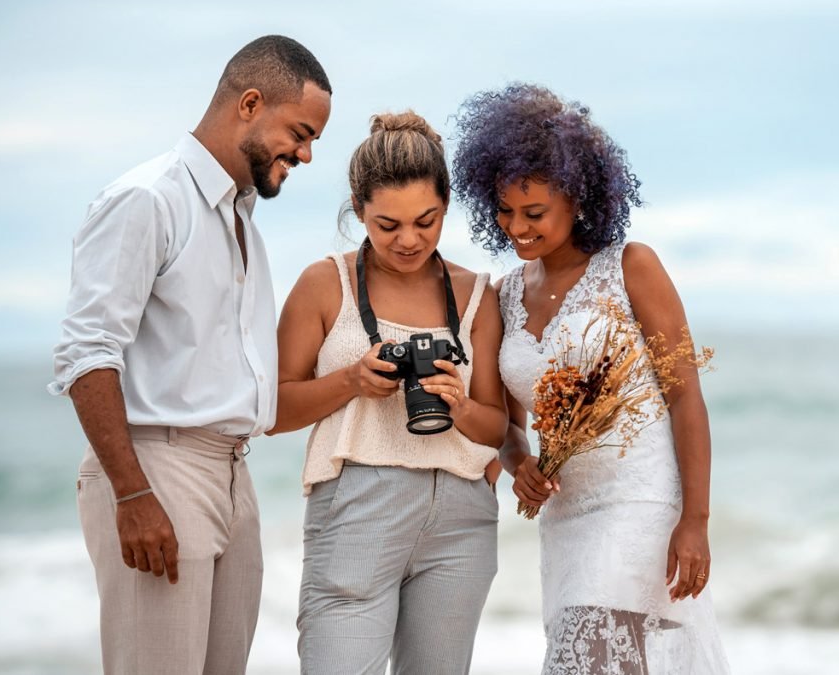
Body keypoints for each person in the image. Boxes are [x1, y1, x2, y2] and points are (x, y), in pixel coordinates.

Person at [49, 35, 332, 675]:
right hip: (159, 469)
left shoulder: (243, 226)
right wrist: (131, 494)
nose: (307, 154)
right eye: (301, 132)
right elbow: (87, 354)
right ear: (250, 103)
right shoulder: (148, 199)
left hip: (233, 473)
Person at [451, 83, 731, 674]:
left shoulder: (632, 268)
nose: (516, 227)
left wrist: (696, 521)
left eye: (534, 213)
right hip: (566, 519)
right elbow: (510, 424)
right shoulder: (503, 296)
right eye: (503, 210)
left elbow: (685, 399)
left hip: (640, 506)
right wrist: (520, 462)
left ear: (577, 199)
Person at [269, 110, 506, 675]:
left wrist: (460, 403)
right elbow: (272, 411)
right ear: (358, 212)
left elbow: (498, 428)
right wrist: (352, 381)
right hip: (356, 504)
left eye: (426, 221)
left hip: (461, 515)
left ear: (446, 205)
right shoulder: (324, 283)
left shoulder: (477, 295)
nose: (408, 240)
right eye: (386, 225)